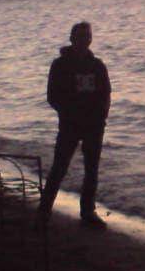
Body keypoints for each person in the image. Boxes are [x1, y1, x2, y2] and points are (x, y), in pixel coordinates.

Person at [37, 21, 111, 229]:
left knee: (91, 169)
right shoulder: (60, 65)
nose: (84, 40)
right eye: (80, 36)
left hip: (94, 125)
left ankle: (88, 211)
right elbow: (52, 96)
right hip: (70, 125)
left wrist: (102, 117)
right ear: (72, 38)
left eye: (87, 36)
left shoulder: (97, 65)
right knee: (59, 167)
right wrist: (69, 113)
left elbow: (106, 93)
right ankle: (44, 210)